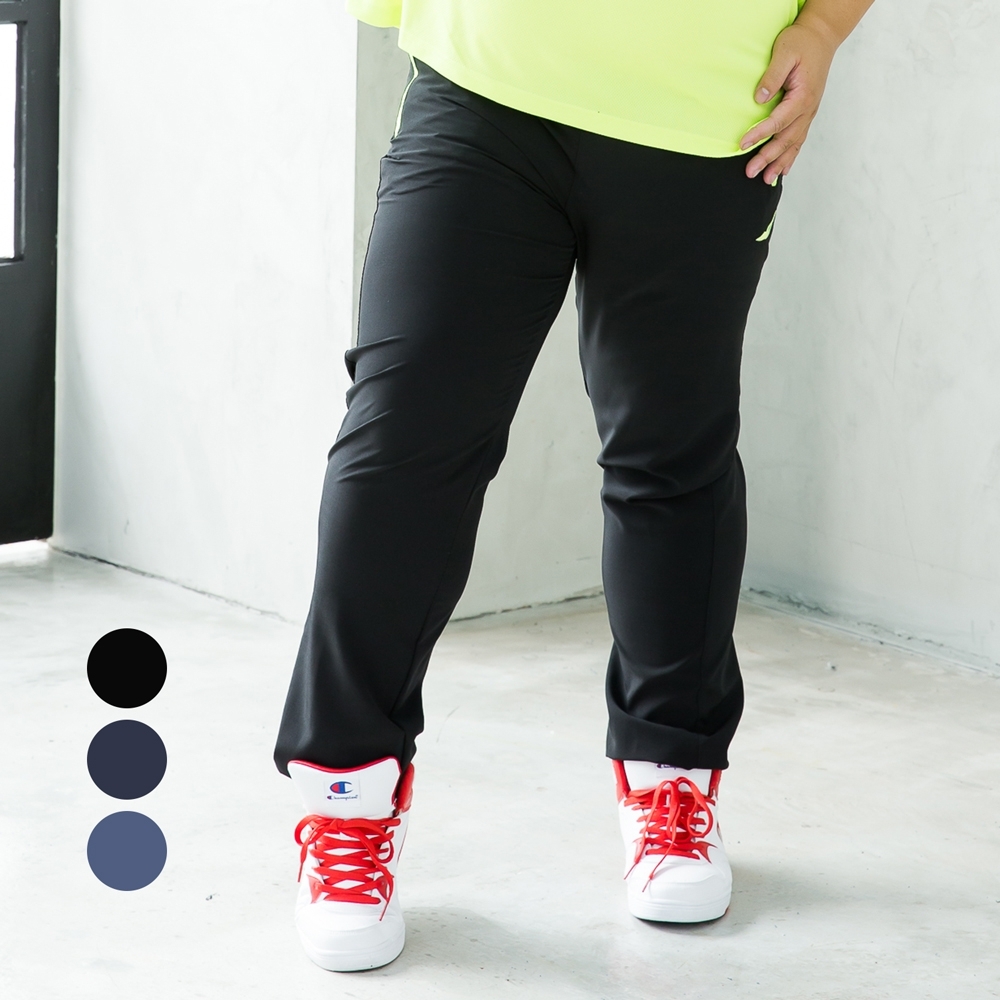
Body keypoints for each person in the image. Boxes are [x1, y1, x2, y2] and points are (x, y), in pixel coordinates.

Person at [274, 0, 875, 973]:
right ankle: (345, 793)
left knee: (670, 452)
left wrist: (825, 29)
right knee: (404, 441)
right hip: (486, 82)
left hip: (704, 115)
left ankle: (672, 777)